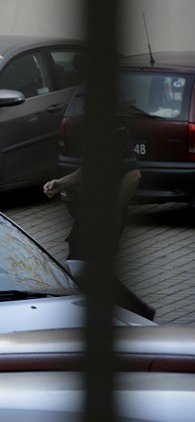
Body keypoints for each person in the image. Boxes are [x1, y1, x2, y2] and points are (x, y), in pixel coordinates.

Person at [43, 125, 154, 320]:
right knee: (83, 268)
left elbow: (133, 175)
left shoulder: (117, 133)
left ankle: (138, 312)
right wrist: (62, 183)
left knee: (90, 270)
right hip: (89, 213)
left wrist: (114, 209)